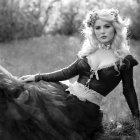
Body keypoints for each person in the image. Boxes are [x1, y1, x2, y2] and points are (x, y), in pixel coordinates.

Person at [0, 8, 139, 140]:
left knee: (35, 112)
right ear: (93, 31)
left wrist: (136, 117)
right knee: (20, 94)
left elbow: (129, 89)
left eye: (107, 26)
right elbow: (66, 73)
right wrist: (37, 77)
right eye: (98, 27)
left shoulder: (124, 60)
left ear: (115, 28)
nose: (102, 31)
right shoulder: (89, 53)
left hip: (85, 110)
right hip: (65, 96)